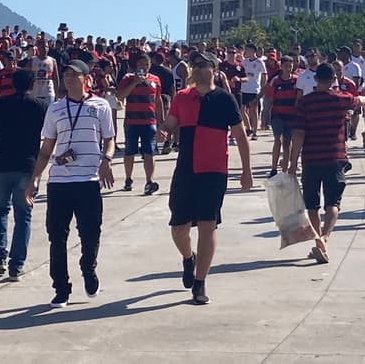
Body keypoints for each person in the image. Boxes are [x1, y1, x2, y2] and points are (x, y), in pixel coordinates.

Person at [158, 51, 253, 305]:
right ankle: (188, 258)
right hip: (186, 169)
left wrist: (246, 171)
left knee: (207, 224)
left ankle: (200, 283)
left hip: (214, 170)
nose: (197, 69)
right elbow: (170, 122)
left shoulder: (225, 99)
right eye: (194, 65)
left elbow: (241, 137)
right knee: (178, 227)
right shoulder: (182, 97)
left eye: (203, 65)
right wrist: (164, 132)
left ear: (214, 69)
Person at [27, 59, 115, 308]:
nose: (67, 78)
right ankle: (61, 287)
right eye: (65, 74)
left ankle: (88, 268)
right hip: (59, 182)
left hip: (88, 180)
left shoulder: (100, 106)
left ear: (87, 79)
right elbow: (46, 149)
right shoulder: (55, 109)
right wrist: (35, 178)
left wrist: (107, 159)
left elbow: (109, 138)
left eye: (73, 74)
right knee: (57, 236)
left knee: (90, 232)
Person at [289, 63, 365, 262]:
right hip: (335, 157)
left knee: (312, 205)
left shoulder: (305, 103)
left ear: (315, 79)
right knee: (333, 203)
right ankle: (325, 238)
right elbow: (359, 100)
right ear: (334, 79)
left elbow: (298, 133)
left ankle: (319, 242)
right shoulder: (341, 99)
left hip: (311, 158)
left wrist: (292, 162)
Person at [0, 69, 48, 280]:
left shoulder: (0, 105)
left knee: (0, 210)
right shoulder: (40, 106)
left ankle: (0, 256)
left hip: (1, 165)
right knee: (23, 216)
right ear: (32, 84)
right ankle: (16, 265)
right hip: (27, 167)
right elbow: (49, 139)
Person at [116, 53, 164, 194]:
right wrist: (135, 82)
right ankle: (128, 178)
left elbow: (158, 100)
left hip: (149, 121)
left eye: (146, 65)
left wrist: (161, 121)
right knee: (130, 151)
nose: (143, 67)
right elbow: (120, 96)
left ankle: (149, 181)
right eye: (141, 64)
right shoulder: (128, 78)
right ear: (136, 66)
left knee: (150, 151)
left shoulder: (155, 80)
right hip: (132, 121)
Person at [265, 55, 299, 177]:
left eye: (290, 66)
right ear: (281, 66)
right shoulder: (275, 81)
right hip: (277, 115)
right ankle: (273, 168)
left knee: (287, 142)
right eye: (286, 66)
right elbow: (269, 99)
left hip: (291, 115)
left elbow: (299, 98)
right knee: (278, 139)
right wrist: (265, 116)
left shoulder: (296, 80)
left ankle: (285, 169)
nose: (288, 69)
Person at [241, 44, 267, 140]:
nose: (246, 52)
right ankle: (248, 127)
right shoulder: (244, 62)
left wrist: (263, 87)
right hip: (243, 89)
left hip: (254, 89)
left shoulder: (259, 62)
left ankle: (255, 132)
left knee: (253, 111)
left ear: (253, 51)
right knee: (242, 110)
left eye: (247, 50)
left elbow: (264, 75)